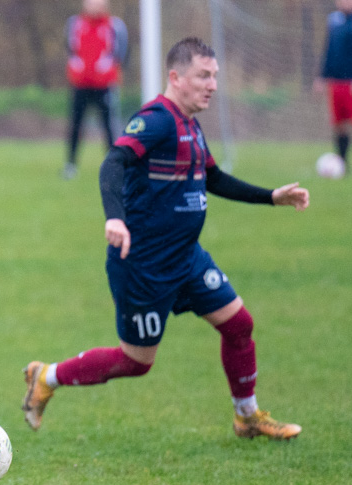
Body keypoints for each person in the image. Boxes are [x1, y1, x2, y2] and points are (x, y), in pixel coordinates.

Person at [23, 37, 310, 440]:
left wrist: (271, 197)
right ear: (175, 77)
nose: (212, 84)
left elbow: (212, 177)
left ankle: (247, 416)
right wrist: (115, 219)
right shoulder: (156, 120)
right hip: (143, 265)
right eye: (203, 76)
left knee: (239, 326)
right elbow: (114, 161)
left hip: (187, 259)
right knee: (136, 362)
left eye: (214, 76)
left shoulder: (190, 125)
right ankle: (47, 376)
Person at [62, 0, 128, 180]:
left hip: (104, 86)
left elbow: (120, 53)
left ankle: (113, 167)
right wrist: (77, 69)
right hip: (80, 84)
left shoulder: (114, 26)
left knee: (109, 126)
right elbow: (70, 49)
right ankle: (70, 165)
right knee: (76, 124)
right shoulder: (75, 24)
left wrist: (106, 70)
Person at [315, 0, 352, 174]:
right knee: (339, 124)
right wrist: (321, 77)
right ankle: (342, 165)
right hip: (336, 81)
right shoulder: (334, 21)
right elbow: (329, 50)